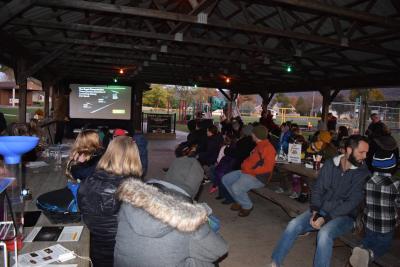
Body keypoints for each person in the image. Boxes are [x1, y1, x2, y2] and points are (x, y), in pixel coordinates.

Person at [270, 135, 370, 267]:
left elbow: (351, 203)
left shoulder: (363, 173)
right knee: (293, 224)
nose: (364, 156)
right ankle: (275, 263)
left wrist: (326, 218)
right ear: (349, 150)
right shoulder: (330, 164)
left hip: (346, 216)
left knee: (324, 234)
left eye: (366, 153)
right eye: (361, 152)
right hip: (322, 209)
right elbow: (318, 189)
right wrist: (315, 210)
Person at [114, 156, 228, 267]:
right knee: (208, 262)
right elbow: (219, 250)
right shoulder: (190, 217)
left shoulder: (132, 200)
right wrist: (201, 216)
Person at [78, 136, 142, 267]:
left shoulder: (88, 181)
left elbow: (82, 210)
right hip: (123, 251)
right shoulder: (135, 189)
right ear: (134, 157)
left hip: (95, 248)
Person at [349, 135, 399, 267]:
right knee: (383, 245)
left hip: (369, 222)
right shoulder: (395, 184)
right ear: (393, 166)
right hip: (386, 225)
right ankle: (370, 254)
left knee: (369, 239)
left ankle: (360, 248)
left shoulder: (368, 181)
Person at [222, 125, 276, 217]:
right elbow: (251, 159)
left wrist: (251, 170)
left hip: (258, 177)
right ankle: (239, 201)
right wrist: (245, 166)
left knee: (236, 187)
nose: (251, 135)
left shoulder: (269, 148)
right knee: (226, 179)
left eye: (253, 133)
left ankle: (247, 206)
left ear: (256, 135)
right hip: (247, 172)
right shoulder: (258, 145)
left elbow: (268, 168)